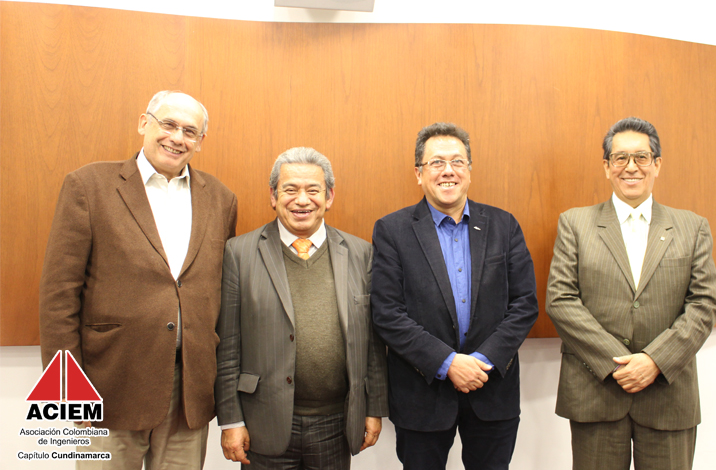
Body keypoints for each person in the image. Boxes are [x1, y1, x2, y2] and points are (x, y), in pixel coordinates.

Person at [39, 90, 238, 468]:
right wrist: (68, 391)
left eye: (190, 131)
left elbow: (221, 297)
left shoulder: (221, 199)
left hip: (188, 392)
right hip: (109, 385)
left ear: (200, 141)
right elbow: (59, 296)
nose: (177, 138)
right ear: (144, 123)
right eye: (169, 124)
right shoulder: (88, 185)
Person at [546, 116, 716, 469]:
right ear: (606, 166)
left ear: (657, 164)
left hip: (668, 394)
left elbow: (704, 304)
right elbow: (561, 300)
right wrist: (618, 363)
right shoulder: (575, 223)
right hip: (596, 391)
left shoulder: (692, 227)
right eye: (620, 158)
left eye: (641, 157)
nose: (631, 167)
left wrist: (654, 361)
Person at [370, 122, 539, 470]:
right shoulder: (392, 230)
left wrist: (482, 361)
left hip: (492, 389)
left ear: (469, 171)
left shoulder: (504, 225)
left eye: (457, 162)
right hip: (422, 393)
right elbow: (387, 313)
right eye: (436, 162)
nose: (448, 171)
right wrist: (448, 363)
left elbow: (524, 305)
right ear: (419, 173)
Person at [215, 147, 389, 470]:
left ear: (329, 196)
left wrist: (374, 407)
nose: (302, 200)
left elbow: (373, 343)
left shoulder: (360, 252)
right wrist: (230, 420)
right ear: (273, 196)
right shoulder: (239, 253)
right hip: (263, 419)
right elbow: (227, 348)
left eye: (313, 190)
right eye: (290, 189)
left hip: (336, 422)